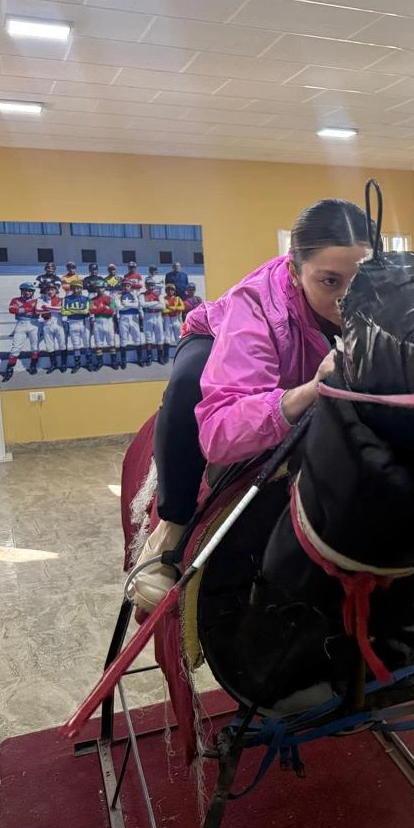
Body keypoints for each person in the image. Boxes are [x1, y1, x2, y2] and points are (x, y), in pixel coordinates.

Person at [127, 198, 372, 611]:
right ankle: (171, 528)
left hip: (302, 357)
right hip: (215, 338)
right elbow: (220, 434)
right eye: (330, 281)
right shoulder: (254, 305)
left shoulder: (382, 296)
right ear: (294, 270)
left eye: (360, 281)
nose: (348, 300)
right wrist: (307, 391)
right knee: (187, 386)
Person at [2, 283, 40, 381]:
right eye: (24, 290)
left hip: (34, 324)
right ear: (21, 291)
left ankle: (33, 366)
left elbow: (39, 311)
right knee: (15, 347)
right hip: (21, 323)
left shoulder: (37, 301)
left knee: (35, 346)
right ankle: (9, 370)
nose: (27, 292)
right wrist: (27, 309)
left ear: (32, 292)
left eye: (29, 291)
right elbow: (12, 309)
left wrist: (21, 309)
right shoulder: (16, 300)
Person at [35, 283, 67, 373]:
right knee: (49, 346)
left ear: (56, 290)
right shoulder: (41, 300)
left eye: (52, 289)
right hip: (46, 324)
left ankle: (63, 364)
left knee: (62, 344)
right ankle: (53, 365)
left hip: (58, 323)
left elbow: (62, 310)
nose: (50, 291)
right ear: (45, 291)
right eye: (48, 290)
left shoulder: (61, 299)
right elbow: (37, 311)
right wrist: (54, 309)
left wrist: (47, 308)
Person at [61, 283, 92, 373]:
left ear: (81, 289)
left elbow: (86, 311)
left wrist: (71, 311)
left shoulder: (86, 298)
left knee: (87, 344)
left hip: (84, 322)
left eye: (78, 288)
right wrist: (79, 311)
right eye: (74, 288)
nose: (76, 290)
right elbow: (63, 312)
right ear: (71, 288)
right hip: (72, 323)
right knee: (76, 345)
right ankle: (77, 364)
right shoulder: (66, 299)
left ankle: (89, 363)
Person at [89, 284, 118, 370]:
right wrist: (105, 308)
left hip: (108, 321)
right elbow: (92, 311)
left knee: (111, 342)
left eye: (101, 287)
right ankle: (99, 362)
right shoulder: (92, 300)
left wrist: (99, 308)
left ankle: (114, 362)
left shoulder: (110, 298)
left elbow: (112, 312)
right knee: (98, 343)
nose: (99, 289)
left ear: (104, 288)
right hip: (97, 322)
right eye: (97, 287)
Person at [116, 280, 143, 368]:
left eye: (128, 286)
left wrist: (126, 304)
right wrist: (131, 305)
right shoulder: (118, 295)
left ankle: (140, 359)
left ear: (130, 287)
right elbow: (119, 307)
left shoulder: (134, 294)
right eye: (124, 285)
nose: (126, 287)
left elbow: (138, 305)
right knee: (123, 340)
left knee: (137, 338)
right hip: (123, 318)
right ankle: (123, 361)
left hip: (134, 317)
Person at [162, 283, 186, 348]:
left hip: (176, 319)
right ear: (166, 291)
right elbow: (163, 310)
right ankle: (166, 353)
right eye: (168, 290)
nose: (170, 291)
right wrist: (175, 309)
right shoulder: (163, 299)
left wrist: (171, 308)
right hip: (167, 319)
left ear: (174, 291)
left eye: (172, 290)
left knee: (179, 335)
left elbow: (182, 307)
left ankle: (180, 349)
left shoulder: (177, 298)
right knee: (167, 336)